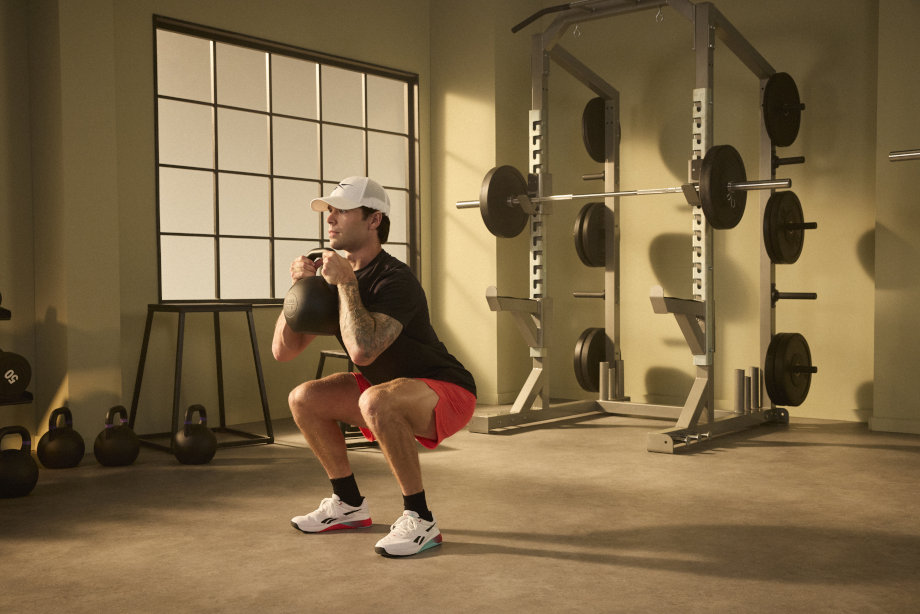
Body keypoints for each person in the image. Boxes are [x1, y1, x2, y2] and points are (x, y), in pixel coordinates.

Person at [272, 176, 477, 558]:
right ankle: (348, 504)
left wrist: (347, 285)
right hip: (384, 388)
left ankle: (421, 519)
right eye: (328, 210)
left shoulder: (395, 279)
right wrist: (300, 289)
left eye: (343, 210)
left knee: (375, 401)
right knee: (304, 398)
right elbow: (283, 351)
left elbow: (363, 352)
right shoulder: (332, 279)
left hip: (443, 389)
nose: (330, 219)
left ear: (374, 220)